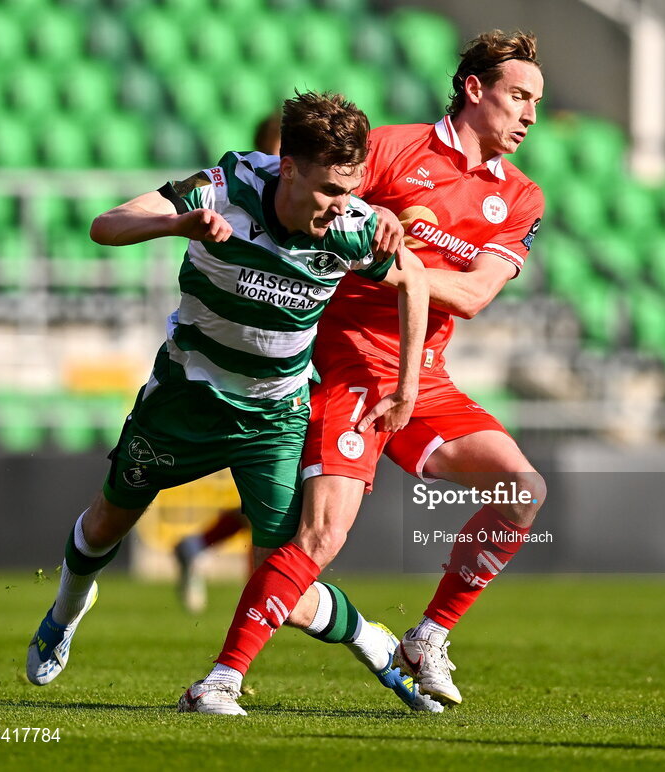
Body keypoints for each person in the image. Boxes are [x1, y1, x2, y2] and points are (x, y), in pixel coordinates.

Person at [25, 91, 433, 713]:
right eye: (327, 188)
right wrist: (175, 224)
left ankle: (373, 642)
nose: (338, 206)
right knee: (107, 521)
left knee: (282, 584)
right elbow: (104, 225)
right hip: (186, 396)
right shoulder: (222, 188)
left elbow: (416, 281)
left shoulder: (352, 226)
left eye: (349, 189)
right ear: (287, 167)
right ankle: (66, 611)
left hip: (272, 417)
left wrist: (406, 388)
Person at [182, 30, 546, 714]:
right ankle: (221, 680)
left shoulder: (521, 198)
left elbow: (473, 295)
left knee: (521, 488)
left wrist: (388, 255)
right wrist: (362, 215)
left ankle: (426, 639)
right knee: (317, 540)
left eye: (535, 102)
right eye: (518, 96)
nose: (529, 115)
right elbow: (300, 207)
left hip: (421, 374)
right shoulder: (387, 148)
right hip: (342, 363)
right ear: (474, 90)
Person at [172, 110, 280, 615]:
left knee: (273, 504)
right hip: (242, 372)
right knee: (269, 507)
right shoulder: (239, 204)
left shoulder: (323, 215)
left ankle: (196, 547)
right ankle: (245, 635)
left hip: (287, 367)